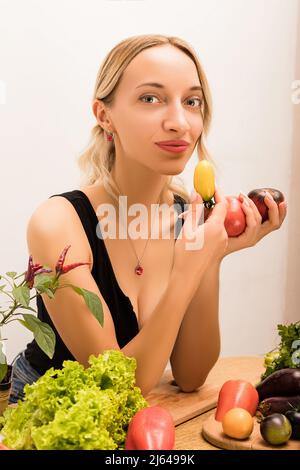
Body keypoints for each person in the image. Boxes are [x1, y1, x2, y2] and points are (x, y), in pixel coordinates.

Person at [9, 34, 287, 403]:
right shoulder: (57, 223)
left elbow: (190, 375)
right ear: (104, 115)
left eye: (192, 102)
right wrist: (188, 268)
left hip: (139, 416)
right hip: (51, 413)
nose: (179, 122)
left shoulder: (186, 217)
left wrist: (209, 257)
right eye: (150, 98)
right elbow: (115, 388)